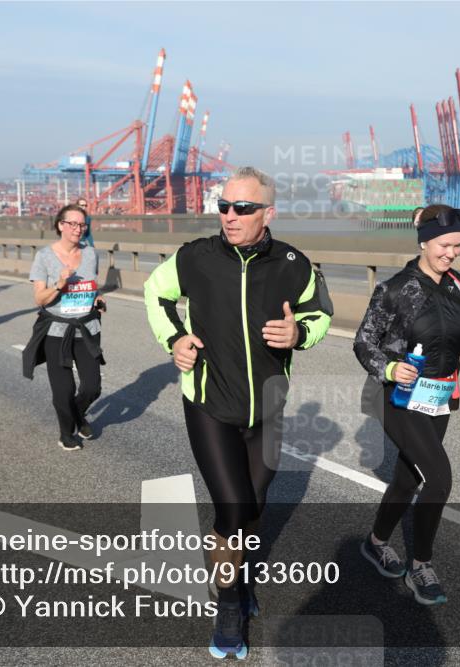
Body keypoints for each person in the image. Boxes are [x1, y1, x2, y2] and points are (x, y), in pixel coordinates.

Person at [144, 166, 332, 659]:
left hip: (268, 408)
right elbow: (156, 292)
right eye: (224, 206)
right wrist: (174, 338)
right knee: (232, 508)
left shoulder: (293, 264)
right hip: (211, 404)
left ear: (268, 213)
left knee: (254, 507)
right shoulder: (197, 257)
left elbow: (319, 313)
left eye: (242, 208)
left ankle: (238, 576)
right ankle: (228, 605)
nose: (229, 216)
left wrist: (299, 334)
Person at [353, 203, 460, 606]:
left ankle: (375, 542)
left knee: (407, 479)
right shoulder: (396, 290)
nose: (451, 253)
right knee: (439, 479)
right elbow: (364, 341)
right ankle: (421, 565)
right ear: (424, 242)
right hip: (396, 396)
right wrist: (389, 368)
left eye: (457, 245)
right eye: (444, 245)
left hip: (438, 396)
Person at [22, 204, 106, 452]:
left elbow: (92, 286)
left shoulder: (91, 254)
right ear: (60, 225)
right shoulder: (44, 257)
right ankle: (66, 433)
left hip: (87, 329)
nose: (78, 229)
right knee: (64, 390)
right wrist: (59, 284)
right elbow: (39, 298)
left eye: (82, 225)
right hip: (56, 331)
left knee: (92, 386)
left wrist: (98, 299)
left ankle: (78, 414)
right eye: (73, 224)